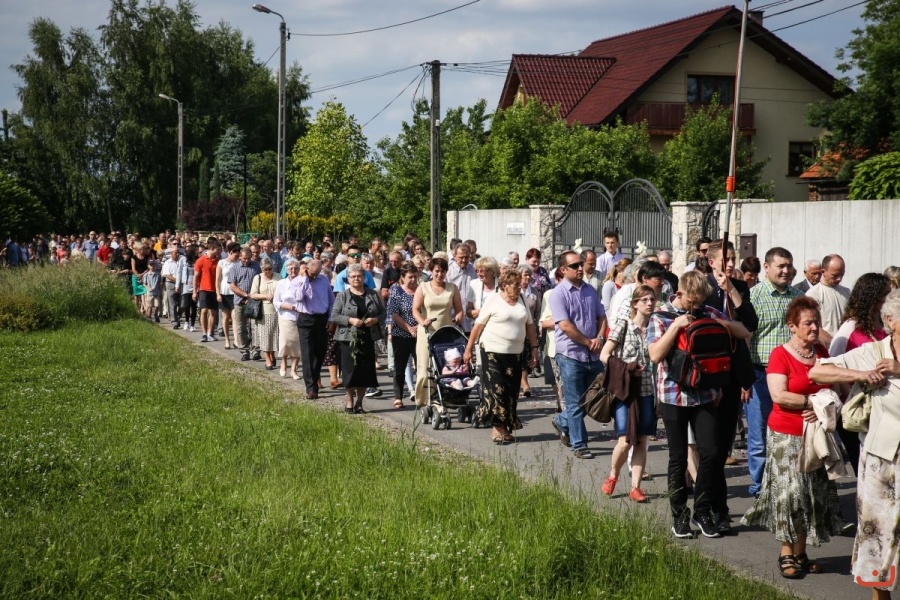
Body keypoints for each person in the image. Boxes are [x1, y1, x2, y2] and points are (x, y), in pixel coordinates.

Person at [742, 296, 844, 578]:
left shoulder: (821, 352)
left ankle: (801, 553)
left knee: (811, 494)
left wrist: (824, 404)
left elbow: (836, 388)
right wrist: (812, 402)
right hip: (786, 436)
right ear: (792, 326)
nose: (814, 327)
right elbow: (779, 395)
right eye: (808, 323)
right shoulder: (780, 354)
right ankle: (786, 552)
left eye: (816, 322)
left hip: (816, 436)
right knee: (791, 496)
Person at [810, 290, 900, 599]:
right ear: (891, 321)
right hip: (880, 459)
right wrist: (861, 374)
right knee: (877, 533)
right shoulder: (873, 352)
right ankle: (880, 595)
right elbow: (818, 370)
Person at [648, 271, 751, 539]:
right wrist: (676, 326)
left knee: (712, 453)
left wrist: (717, 323)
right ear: (679, 294)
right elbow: (655, 355)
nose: (695, 307)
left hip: (705, 393)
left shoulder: (708, 311)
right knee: (678, 457)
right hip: (672, 395)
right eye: (691, 302)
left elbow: (744, 332)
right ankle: (679, 516)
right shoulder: (661, 316)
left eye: (699, 302)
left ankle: (702, 511)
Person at [703, 240, 758, 534]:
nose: (731, 264)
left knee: (723, 445)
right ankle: (709, 506)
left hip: (733, 374)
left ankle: (720, 510)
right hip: (707, 375)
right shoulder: (702, 286)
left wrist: (733, 292)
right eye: (725, 259)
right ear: (712, 262)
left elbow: (750, 323)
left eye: (734, 258)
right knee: (709, 449)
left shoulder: (739, 287)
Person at [746, 247, 803, 498]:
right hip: (760, 374)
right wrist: (744, 380)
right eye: (780, 266)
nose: (786, 270)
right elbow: (745, 338)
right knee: (759, 434)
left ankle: (789, 482)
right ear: (767, 268)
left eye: (789, 265)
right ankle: (760, 488)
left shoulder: (798, 298)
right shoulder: (754, 297)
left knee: (791, 431)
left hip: (792, 376)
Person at [464, 269, 538, 444]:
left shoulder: (522, 299)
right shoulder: (493, 300)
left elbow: (530, 326)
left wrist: (534, 349)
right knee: (497, 391)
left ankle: (505, 426)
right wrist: (468, 349)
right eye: (516, 285)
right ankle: (497, 429)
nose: (519, 287)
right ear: (504, 285)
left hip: (515, 353)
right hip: (493, 352)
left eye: (520, 284)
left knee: (511, 392)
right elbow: (478, 326)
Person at [598, 284, 657, 503]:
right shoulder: (624, 325)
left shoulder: (655, 328)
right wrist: (627, 368)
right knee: (625, 441)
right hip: (626, 391)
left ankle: (636, 487)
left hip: (648, 390)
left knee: (642, 440)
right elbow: (604, 354)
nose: (649, 303)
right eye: (645, 300)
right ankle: (613, 474)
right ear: (635, 304)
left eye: (652, 299)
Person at [549, 250, 607, 459]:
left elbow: (602, 317)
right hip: (571, 354)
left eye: (581, 264)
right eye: (575, 266)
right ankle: (579, 445)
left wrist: (599, 337)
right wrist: (588, 342)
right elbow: (565, 325)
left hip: (593, 354)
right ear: (563, 270)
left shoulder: (590, 290)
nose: (580, 268)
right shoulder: (558, 293)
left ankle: (562, 421)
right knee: (575, 401)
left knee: (595, 397)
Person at [331, 264, 385, 414]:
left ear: (364, 278)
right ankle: (349, 401)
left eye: (359, 276)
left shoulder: (373, 294)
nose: (356, 279)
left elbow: (383, 313)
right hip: (348, 338)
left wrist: (375, 320)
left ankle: (359, 403)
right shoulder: (343, 296)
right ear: (348, 279)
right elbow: (334, 316)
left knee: (365, 371)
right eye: (353, 276)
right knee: (350, 371)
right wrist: (350, 320)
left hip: (368, 337)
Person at [413, 257, 464, 408]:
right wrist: (422, 321)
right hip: (427, 331)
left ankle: (442, 396)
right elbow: (415, 310)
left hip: (445, 332)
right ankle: (423, 400)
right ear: (431, 271)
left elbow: (459, 309)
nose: (439, 274)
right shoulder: (423, 287)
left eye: (442, 271)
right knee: (425, 368)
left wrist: (458, 317)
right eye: (437, 271)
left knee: (444, 366)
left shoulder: (452, 288)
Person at [291, 259, 334, 399]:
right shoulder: (297, 281)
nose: (315, 276)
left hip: (321, 319)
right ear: (306, 269)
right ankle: (311, 387)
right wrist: (305, 279)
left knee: (320, 353)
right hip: (306, 318)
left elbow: (331, 300)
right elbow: (298, 297)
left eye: (317, 273)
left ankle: (314, 381)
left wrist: (331, 319)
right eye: (312, 273)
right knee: (308, 354)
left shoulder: (324, 280)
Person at [387, 261, 420, 409]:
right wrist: (409, 329)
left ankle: (421, 395)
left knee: (421, 366)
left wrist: (418, 327)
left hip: (420, 333)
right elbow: (394, 314)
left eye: (415, 277)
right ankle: (398, 397)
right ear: (403, 277)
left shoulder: (421, 290)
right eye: (410, 277)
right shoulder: (397, 291)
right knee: (399, 367)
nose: (413, 280)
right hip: (401, 334)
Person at [806, 254, 850, 347]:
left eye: (842, 274)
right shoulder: (813, 294)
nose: (839, 278)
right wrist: (834, 344)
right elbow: (814, 326)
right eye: (835, 275)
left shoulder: (846, 292)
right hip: (825, 348)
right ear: (823, 272)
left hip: (846, 346)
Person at [229, 247, 262, 361]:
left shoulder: (256, 266)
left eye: (248, 258)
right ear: (240, 257)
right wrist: (245, 295)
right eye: (244, 258)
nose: (246, 260)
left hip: (254, 301)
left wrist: (253, 296)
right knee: (241, 327)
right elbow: (232, 286)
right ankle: (244, 350)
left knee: (255, 327)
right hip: (240, 301)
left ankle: (256, 350)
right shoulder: (235, 268)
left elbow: (261, 281)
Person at [249, 257, 281, 371]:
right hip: (263, 311)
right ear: (262, 269)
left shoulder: (278, 277)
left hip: (277, 311)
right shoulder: (257, 278)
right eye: (265, 269)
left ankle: (272, 353)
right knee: (265, 336)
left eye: (270, 269)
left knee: (274, 335)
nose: (268, 271)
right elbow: (253, 294)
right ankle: (267, 358)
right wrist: (265, 296)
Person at [274, 261, 303, 380]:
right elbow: (276, 301)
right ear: (286, 270)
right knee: (285, 342)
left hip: (300, 316)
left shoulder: (302, 282)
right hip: (285, 316)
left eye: (296, 268)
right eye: (291, 269)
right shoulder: (281, 283)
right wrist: (286, 306)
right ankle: (284, 362)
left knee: (297, 344)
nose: (293, 271)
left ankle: (293, 370)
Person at [193, 240, 221, 342]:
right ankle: (204, 333)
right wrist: (194, 291)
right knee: (204, 311)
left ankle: (210, 333)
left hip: (215, 289)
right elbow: (196, 277)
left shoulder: (218, 261)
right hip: (204, 289)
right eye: (218, 250)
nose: (219, 252)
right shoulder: (201, 260)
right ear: (212, 249)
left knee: (213, 312)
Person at [216, 243, 240, 349]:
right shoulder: (221, 263)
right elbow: (218, 279)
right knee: (225, 317)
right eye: (235, 254)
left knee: (235, 317)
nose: (237, 256)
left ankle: (236, 340)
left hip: (235, 292)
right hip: (224, 292)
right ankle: (227, 339)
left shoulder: (238, 263)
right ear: (230, 252)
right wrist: (218, 293)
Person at [448, 243, 476, 333]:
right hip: (453, 319)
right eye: (461, 257)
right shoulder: (448, 271)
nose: (464, 260)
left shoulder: (473, 270)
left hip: (470, 320)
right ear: (454, 256)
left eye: (466, 257)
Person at [466, 256, 499, 324]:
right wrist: (482, 312)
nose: (479, 274)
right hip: (479, 325)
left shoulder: (502, 286)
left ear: (492, 271)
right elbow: (468, 312)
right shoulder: (473, 284)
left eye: (482, 271)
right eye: (477, 271)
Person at [162, 246, 184, 329]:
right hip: (171, 284)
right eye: (175, 253)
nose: (177, 254)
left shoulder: (182, 262)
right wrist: (177, 280)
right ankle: (174, 321)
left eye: (178, 252)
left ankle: (177, 316)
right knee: (172, 304)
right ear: (171, 254)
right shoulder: (167, 263)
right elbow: (167, 275)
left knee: (183, 304)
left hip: (181, 284)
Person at [179, 244, 198, 332]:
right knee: (186, 305)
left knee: (193, 305)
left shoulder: (198, 260)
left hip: (195, 285)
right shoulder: (183, 260)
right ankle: (186, 321)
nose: (197, 252)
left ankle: (192, 324)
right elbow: (179, 272)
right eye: (196, 250)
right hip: (186, 284)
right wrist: (177, 285)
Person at [131, 244, 150, 315]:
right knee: (136, 294)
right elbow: (133, 268)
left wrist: (142, 275)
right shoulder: (134, 257)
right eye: (142, 249)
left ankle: (143, 308)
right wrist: (138, 275)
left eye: (144, 249)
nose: (144, 250)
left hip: (144, 276)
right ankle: (137, 309)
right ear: (138, 250)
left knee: (144, 293)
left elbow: (148, 268)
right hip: (135, 277)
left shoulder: (147, 257)